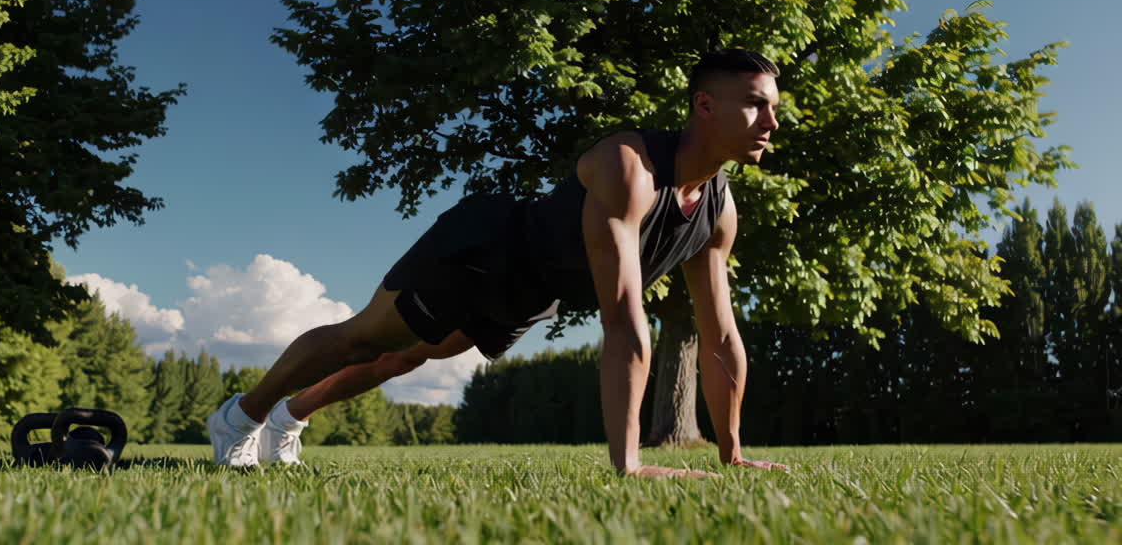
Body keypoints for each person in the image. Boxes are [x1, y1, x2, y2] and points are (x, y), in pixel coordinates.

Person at [208, 49, 788, 478]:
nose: (771, 123)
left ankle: (289, 417)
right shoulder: (629, 166)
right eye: (756, 104)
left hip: (532, 294)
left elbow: (720, 336)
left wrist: (731, 451)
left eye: (775, 109)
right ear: (705, 105)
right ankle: (241, 417)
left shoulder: (718, 209)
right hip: (484, 251)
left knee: (403, 360)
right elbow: (625, 322)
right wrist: (629, 464)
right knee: (364, 340)